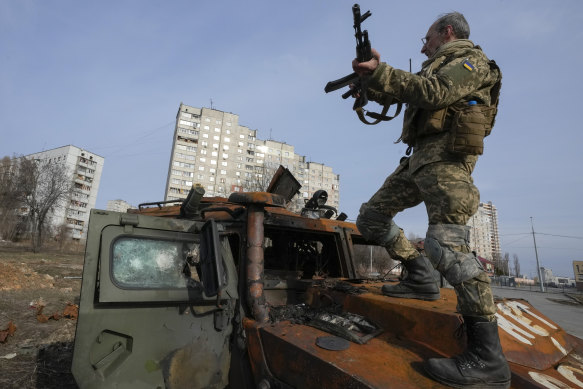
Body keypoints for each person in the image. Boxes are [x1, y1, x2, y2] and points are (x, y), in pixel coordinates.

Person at [351, 12, 510, 388]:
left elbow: (434, 93)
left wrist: (382, 70)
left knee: (447, 247)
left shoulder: (471, 62)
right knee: (371, 219)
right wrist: (369, 81)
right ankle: (420, 275)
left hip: (447, 163)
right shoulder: (435, 68)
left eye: (426, 38)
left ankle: (488, 359)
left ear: (447, 32)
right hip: (418, 162)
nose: (422, 46)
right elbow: (402, 91)